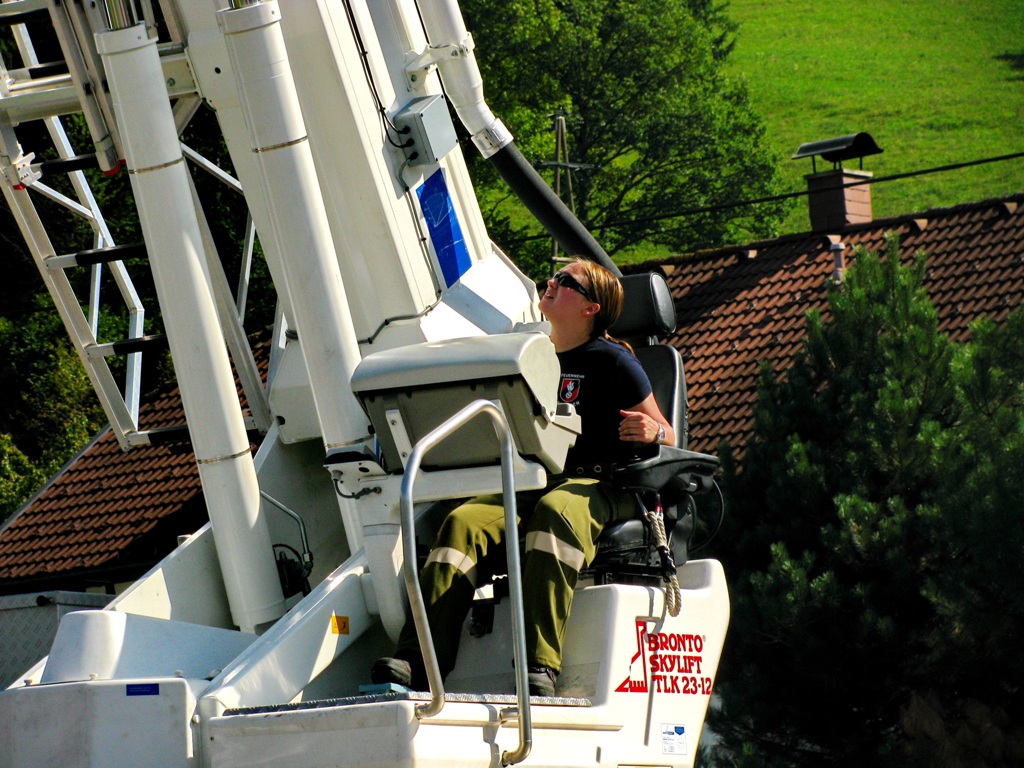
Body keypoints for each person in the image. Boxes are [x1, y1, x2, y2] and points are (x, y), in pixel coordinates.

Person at [372, 258, 675, 696]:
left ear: (591, 308)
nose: (551, 283)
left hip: (605, 485)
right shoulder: (526, 356)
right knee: (461, 523)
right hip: (533, 481)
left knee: (556, 514)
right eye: (554, 276)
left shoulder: (614, 362)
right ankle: (419, 664)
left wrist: (652, 431)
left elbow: (668, 431)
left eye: (567, 282)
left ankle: (539, 667)